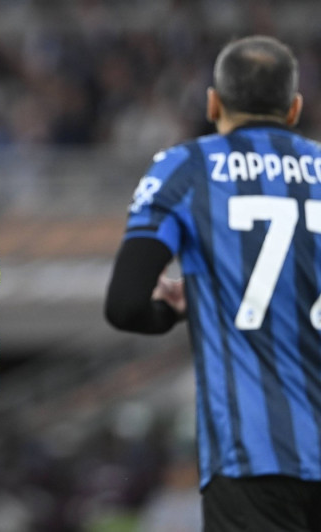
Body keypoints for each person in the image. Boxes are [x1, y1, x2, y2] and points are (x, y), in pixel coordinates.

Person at [104, 35, 321, 531]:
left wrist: (182, 308)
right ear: (294, 108)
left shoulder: (186, 168)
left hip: (250, 453)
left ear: (214, 102)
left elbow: (125, 304)